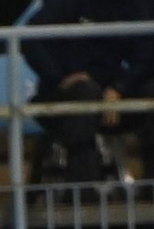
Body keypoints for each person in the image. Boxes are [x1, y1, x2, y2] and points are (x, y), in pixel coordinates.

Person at [22, 0, 154, 183]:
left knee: (150, 91)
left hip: (112, 92)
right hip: (62, 93)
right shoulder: (64, 4)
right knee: (85, 92)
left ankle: (150, 190)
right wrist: (59, 79)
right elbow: (29, 40)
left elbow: (147, 53)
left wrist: (119, 88)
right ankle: (84, 194)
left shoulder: (134, 5)